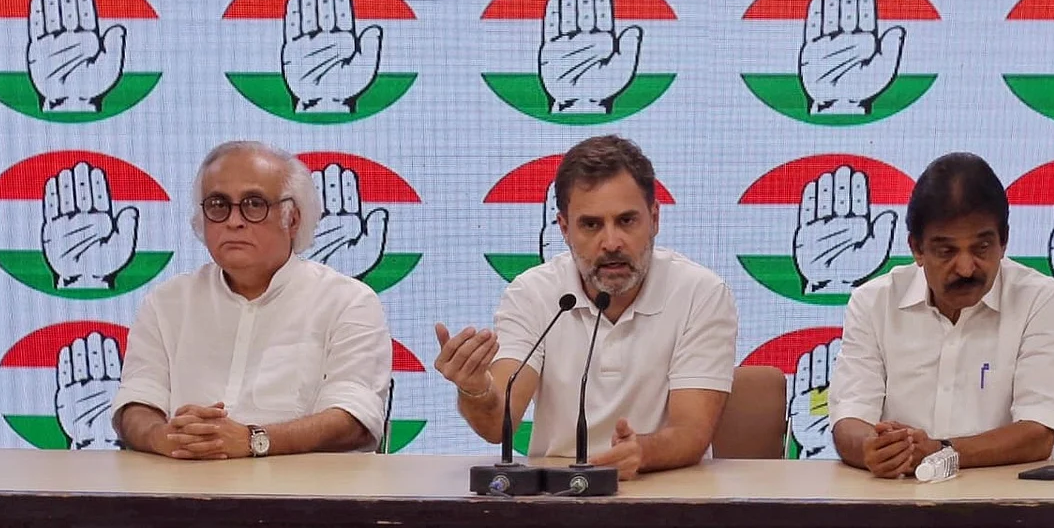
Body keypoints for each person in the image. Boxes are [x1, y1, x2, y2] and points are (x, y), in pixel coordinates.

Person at [434, 135, 737, 479]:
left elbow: (692, 433)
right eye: (591, 225)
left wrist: (641, 452)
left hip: (664, 494)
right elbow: (497, 423)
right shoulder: (533, 292)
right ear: (564, 228)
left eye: (626, 221)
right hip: (558, 502)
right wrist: (475, 389)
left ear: (654, 219)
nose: (611, 243)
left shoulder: (701, 293)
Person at [111, 141, 391, 459]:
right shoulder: (167, 302)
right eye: (218, 205)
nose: (233, 221)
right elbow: (136, 402)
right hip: (184, 491)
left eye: (254, 204)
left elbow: (354, 421)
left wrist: (252, 440)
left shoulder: (348, 301)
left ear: (293, 218)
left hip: (305, 498)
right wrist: (160, 437)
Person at [829, 152, 1054, 478]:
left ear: (1004, 242)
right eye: (946, 251)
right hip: (896, 503)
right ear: (917, 249)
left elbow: (1038, 434)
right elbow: (849, 419)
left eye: (981, 248)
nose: (965, 268)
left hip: (1008, 509)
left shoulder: (1043, 300)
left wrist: (941, 452)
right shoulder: (873, 302)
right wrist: (871, 450)